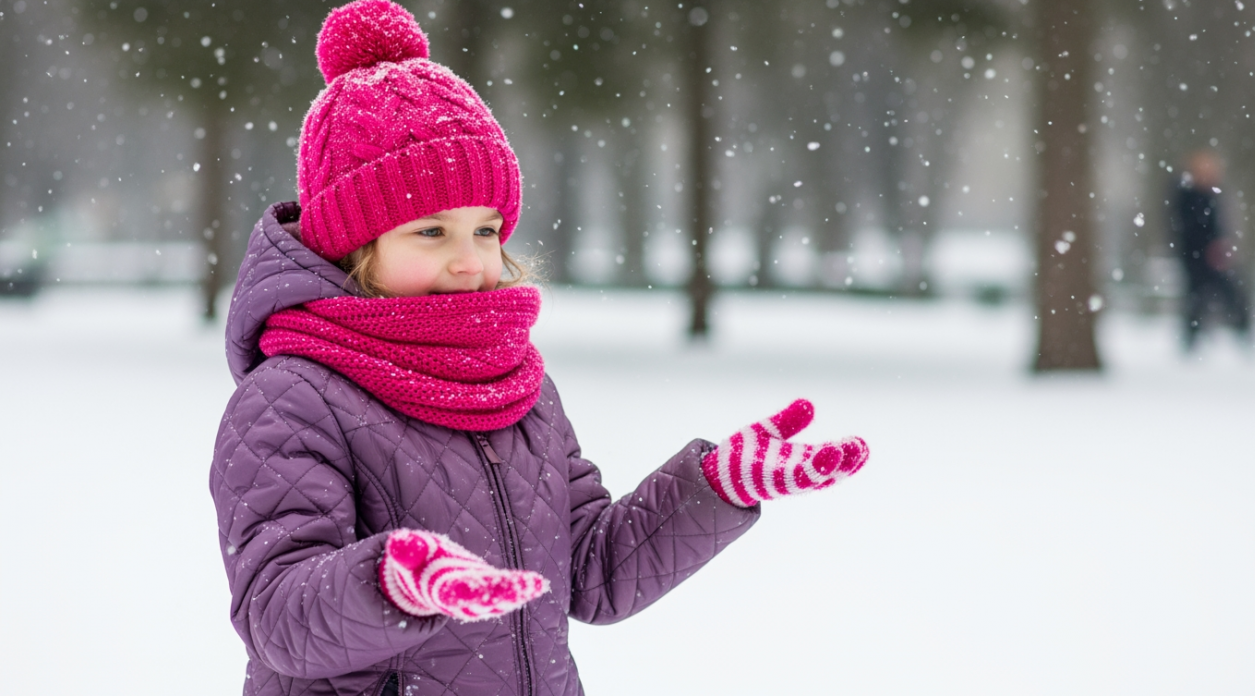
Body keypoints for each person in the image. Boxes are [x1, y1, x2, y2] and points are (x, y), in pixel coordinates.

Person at [210, 3, 870, 696]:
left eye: (487, 229)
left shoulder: (513, 382)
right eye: (431, 232)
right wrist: (391, 584)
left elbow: (591, 574)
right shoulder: (290, 399)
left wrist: (713, 490)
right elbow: (276, 616)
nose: (471, 261)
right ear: (353, 244)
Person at [1169, 149, 1252, 351]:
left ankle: (1241, 332)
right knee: (1197, 299)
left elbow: (1218, 224)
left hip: (1213, 256)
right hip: (1195, 256)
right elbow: (1187, 227)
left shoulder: (1211, 194)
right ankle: (1192, 339)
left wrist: (1221, 246)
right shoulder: (1186, 195)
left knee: (1227, 295)